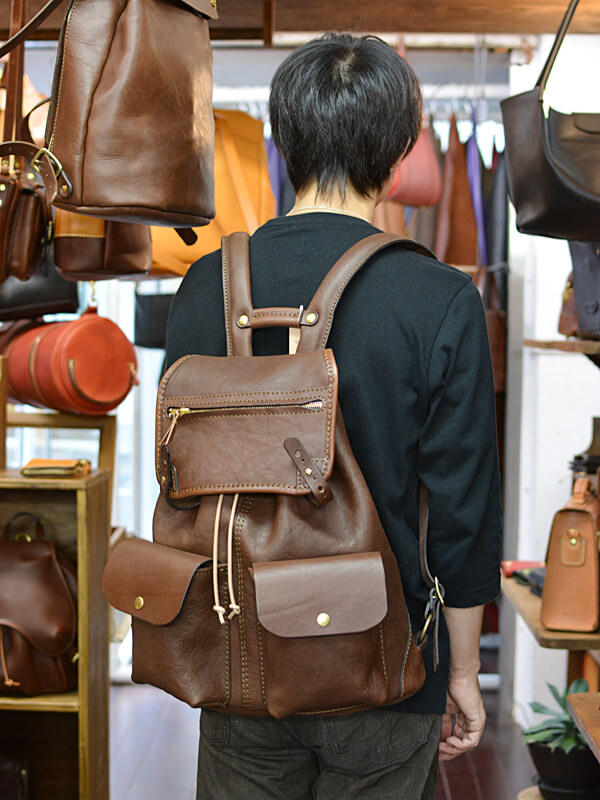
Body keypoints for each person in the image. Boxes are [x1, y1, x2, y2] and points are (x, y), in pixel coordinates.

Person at [165, 32, 502, 800]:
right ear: (398, 155)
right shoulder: (439, 298)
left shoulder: (204, 286)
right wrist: (462, 671)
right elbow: (463, 513)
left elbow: (180, 474)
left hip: (237, 648)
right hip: (384, 664)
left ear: (284, 142)